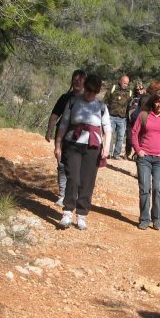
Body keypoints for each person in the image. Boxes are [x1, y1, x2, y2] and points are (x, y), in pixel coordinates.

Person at [54, 74, 112, 230]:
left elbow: (107, 129)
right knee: (73, 177)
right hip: (73, 143)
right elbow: (64, 123)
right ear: (85, 87)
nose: (89, 94)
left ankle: (81, 215)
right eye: (88, 90)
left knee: (87, 181)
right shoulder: (73, 102)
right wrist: (58, 144)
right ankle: (67, 212)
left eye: (93, 92)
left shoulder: (101, 106)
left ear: (97, 92)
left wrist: (106, 147)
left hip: (93, 147)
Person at [129, 87, 160, 230]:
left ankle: (156, 218)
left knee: (158, 188)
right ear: (153, 102)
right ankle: (144, 218)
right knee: (144, 188)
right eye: (157, 102)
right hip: (144, 158)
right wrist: (138, 150)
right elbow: (134, 133)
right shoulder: (144, 115)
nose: (159, 105)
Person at [45, 69, 86, 206]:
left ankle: (74, 194)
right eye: (75, 79)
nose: (77, 81)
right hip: (62, 137)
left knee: (78, 168)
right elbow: (55, 115)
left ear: (85, 82)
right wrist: (49, 130)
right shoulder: (65, 98)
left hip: (80, 139)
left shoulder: (88, 100)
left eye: (80, 79)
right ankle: (63, 194)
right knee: (62, 165)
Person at [104, 74, 133, 160]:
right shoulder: (113, 88)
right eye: (124, 83)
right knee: (110, 135)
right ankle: (108, 153)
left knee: (120, 137)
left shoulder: (130, 92)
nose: (125, 85)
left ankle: (116, 154)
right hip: (111, 116)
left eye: (127, 84)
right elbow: (105, 100)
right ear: (120, 81)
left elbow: (130, 106)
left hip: (122, 118)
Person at [125, 81, 147, 158]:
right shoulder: (132, 98)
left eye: (141, 88)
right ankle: (127, 152)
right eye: (137, 89)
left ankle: (136, 154)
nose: (139, 90)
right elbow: (127, 108)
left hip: (142, 122)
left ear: (144, 89)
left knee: (140, 139)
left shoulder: (147, 98)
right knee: (129, 138)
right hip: (131, 121)